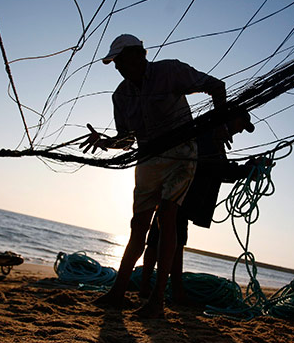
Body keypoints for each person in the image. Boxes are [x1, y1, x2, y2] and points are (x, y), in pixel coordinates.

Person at [81, 34, 231, 318]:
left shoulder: (169, 71)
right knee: (138, 225)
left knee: (167, 215)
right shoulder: (120, 95)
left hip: (181, 154)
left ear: (140, 55)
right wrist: (104, 143)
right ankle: (117, 292)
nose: (118, 68)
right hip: (148, 158)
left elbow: (215, 86)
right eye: (115, 63)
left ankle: (156, 301)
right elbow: (126, 139)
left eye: (121, 60)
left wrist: (221, 123)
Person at [139, 107, 264, 303]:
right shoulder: (209, 134)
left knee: (157, 238)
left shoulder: (212, 134)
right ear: (232, 118)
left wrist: (248, 167)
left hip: (175, 191)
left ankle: (147, 287)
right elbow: (215, 167)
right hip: (182, 193)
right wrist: (246, 170)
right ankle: (174, 291)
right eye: (241, 125)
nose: (240, 131)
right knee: (175, 241)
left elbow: (219, 168)